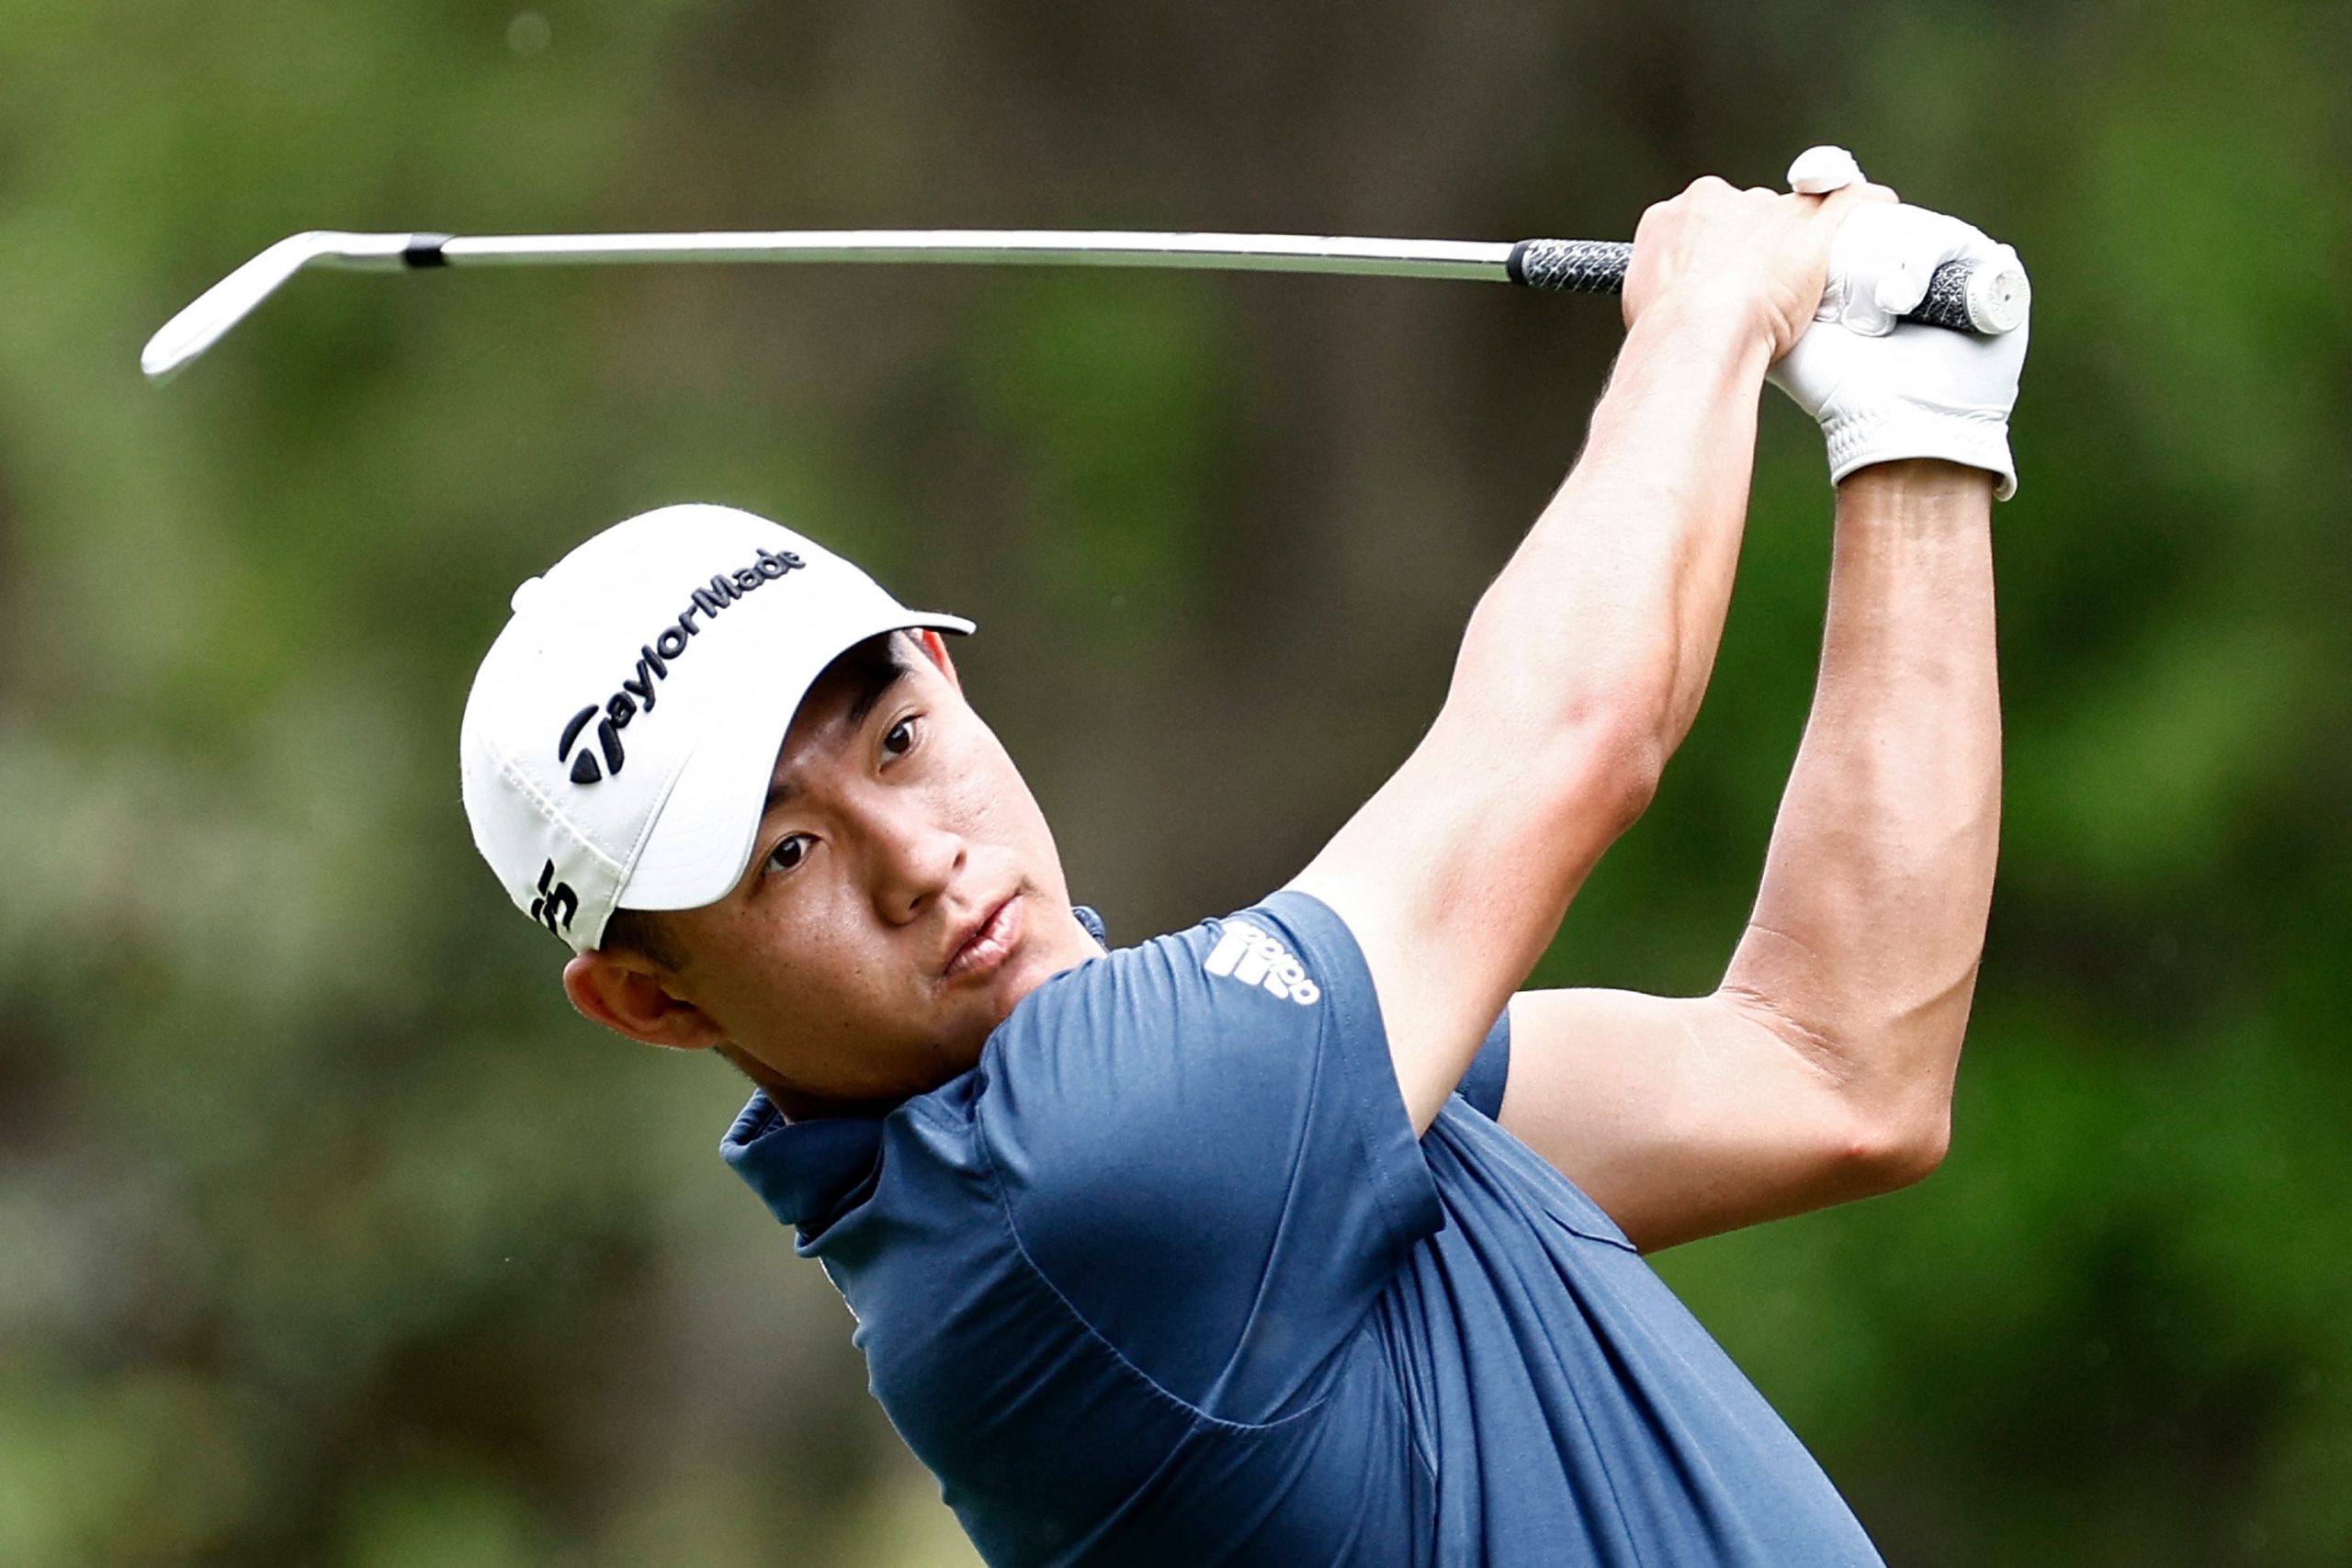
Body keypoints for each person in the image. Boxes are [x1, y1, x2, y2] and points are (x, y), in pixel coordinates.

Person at [458, 148, 2027, 1565]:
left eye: (898, 739)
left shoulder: (1252, 1126)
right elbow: (1574, 735)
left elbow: (1829, 1076)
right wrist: (1714, 309)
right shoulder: (1080, 1173)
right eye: (787, 854)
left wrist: (1915, 432)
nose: (917, 859)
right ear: (652, 1001)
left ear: (946, 669)